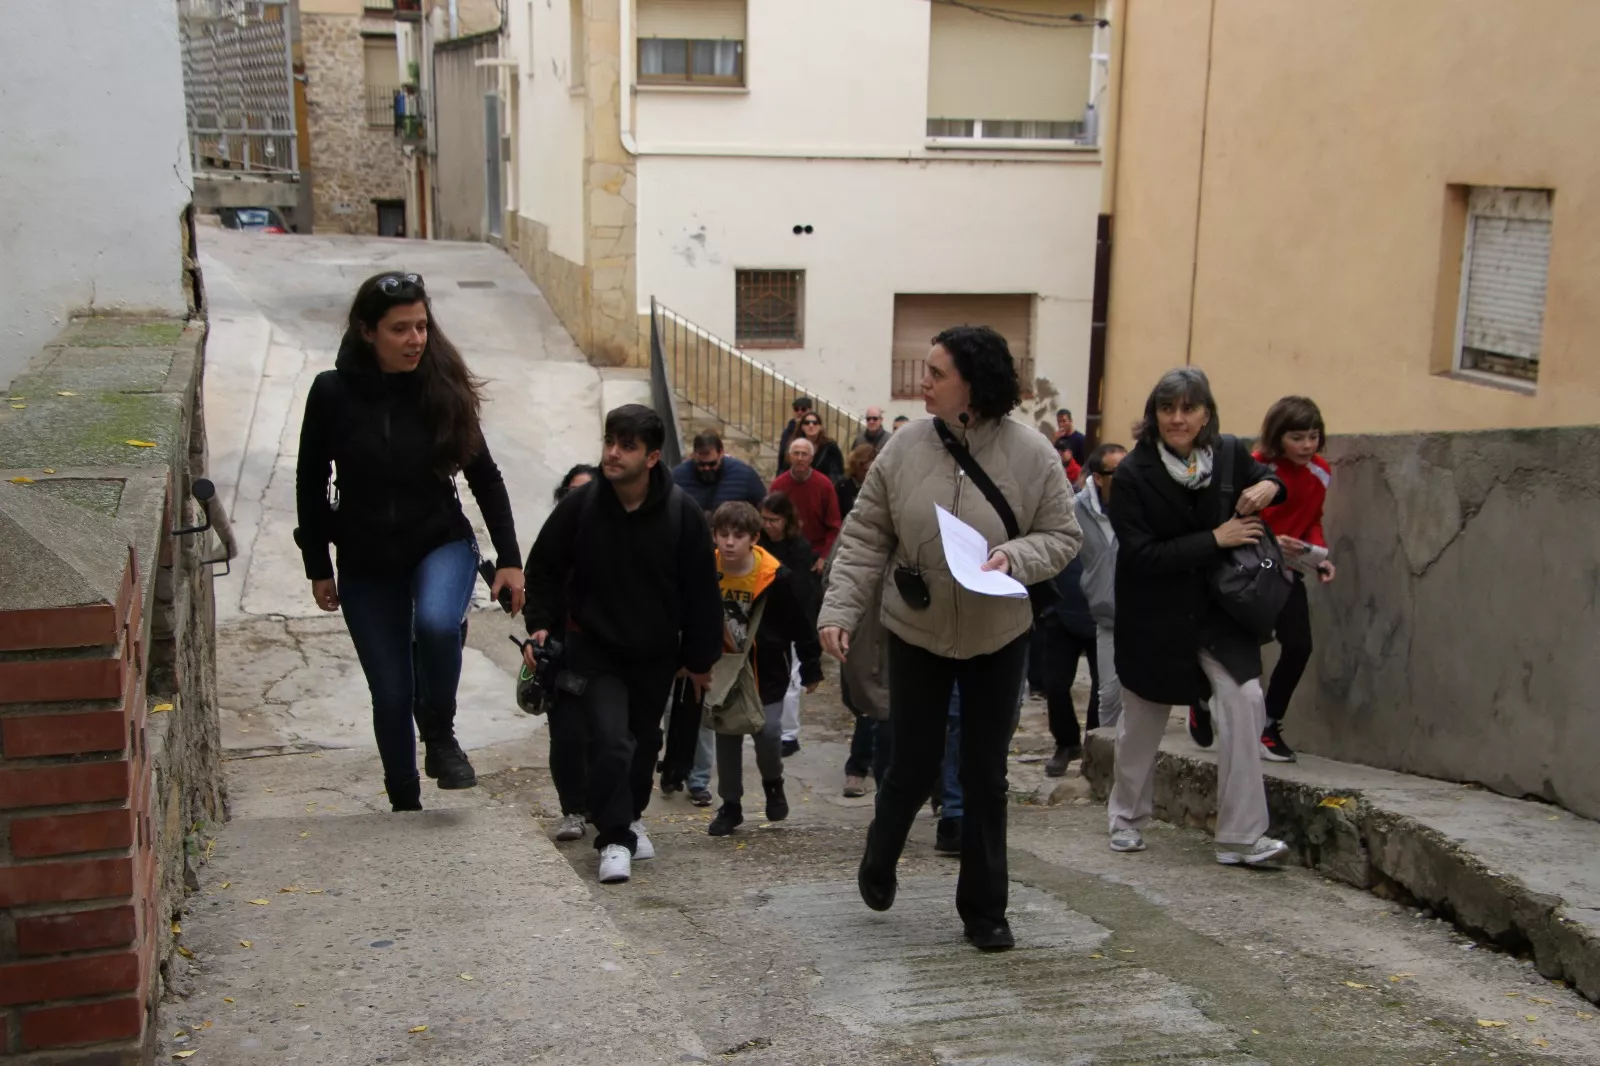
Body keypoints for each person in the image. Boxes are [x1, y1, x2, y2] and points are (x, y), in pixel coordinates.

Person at [819, 324, 1081, 952]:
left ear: (973, 381)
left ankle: (986, 910)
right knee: (910, 763)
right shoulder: (905, 447)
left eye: (936, 373)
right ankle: (880, 855)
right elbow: (863, 537)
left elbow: (1064, 536)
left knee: (986, 774)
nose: (924, 383)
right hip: (916, 629)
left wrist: (1016, 557)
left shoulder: (1033, 454)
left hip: (1000, 633)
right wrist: (839, 610)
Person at [294, 271, 524, 812]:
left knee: (439, 624)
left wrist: (511, 560)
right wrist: (317, 564)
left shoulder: (441, 386)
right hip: (366, 558)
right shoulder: (332, 392)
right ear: (367, 331)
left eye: (422, 326)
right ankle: (403, 799)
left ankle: (440, 736)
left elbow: (484, 476)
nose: (416, 339)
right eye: (400, 329)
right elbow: (308, 478)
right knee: (392, 692)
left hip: (437, 538)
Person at [522, 404, 723, 885]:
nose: (612, 453)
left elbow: (701, 592)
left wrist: (698, 661)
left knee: (642, 743)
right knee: (610, 741)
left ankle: (630, 816)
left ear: (652, 457)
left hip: (656, 654)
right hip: (594, 649)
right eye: (609, 441)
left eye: (626, 445)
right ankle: (615, 839)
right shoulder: (582, 505)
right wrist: (541, 625)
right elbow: (544, 566)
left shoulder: (682, 514)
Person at [1105, 367, 1289, 868]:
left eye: (1188, 408)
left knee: (1246, 700)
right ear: (1155, 415)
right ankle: (1126, 817)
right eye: (1168, 409)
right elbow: (1140, 554)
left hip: (1219, 612)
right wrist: (1215, 539)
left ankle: (1241, 836)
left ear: (1206, 413)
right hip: (1155, 617)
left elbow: (1271, 478)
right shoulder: (1132, 474)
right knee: (1142, 722)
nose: (1178, 418)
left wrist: (1270, 487)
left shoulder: (1229, 453)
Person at [705, 502, 823, 836]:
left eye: (738, 536)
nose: (729, 542)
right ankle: (730, 805)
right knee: (727, 736)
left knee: (769, 731)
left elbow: (799, 623)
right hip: (726, 668)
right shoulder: (706, 569)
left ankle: (773, 783)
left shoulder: (775, 576)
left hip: (767, 668)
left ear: (754, 538)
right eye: (722, 534)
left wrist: (810, 666)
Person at [1252, 396, 1335, 763]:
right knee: (1240, 646)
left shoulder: (1321, 472)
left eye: (1313, 436)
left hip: (1286, 570)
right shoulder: (1256, 467)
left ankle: (1269, 724)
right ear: (1278, 436)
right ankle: (1202, 699)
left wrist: (1319, 556)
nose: (1307, 446)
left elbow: (1313, 518)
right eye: (1297, 437)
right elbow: (1232, 517)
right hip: (1253, 566)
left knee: (1299, 645)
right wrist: (1271, 540)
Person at [545, 464, 599, 841]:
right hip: (564, 652)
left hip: (608, 653)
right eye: (573, 493)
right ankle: (573, 810)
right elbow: (540, 592)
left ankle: (606, 806)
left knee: (608, 735)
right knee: (567, 735)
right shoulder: (554, 544)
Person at [1074, 442, 1127, 745]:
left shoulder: (1143, 504)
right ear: (1098, 477)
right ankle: (1107, 766)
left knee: (1144, 697)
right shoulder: (1077, 509)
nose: (1126, 477)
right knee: (1108, 695)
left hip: (1143, 614)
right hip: (1106, 615)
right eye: (1116, 472)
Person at [769, 439, 840, 575]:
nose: (800, 458)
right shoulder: (778, 486)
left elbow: (834, 526)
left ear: (812, 458)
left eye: (804, 454)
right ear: (789, 457)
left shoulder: (825, 485)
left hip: (816, 554)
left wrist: (824, 557)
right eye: (796, 453)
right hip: (786, 554)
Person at [672, 429, 767, 513]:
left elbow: (762, 509)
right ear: (693, 455)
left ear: (721, 453)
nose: (706, 468)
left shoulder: (745, 476)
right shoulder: (677, 478)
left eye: (712, 464)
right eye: (701, 464)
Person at [797, 411, 846, 483]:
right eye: (807, 423)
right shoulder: (796, 445)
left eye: (815, 423)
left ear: (820, 427)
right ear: (802, 427)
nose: (811, 425)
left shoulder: (830, 446)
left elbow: (838, 473)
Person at [835, 443, 876, 521]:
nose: (867, 474)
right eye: (864, 470)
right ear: (856, 467)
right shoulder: (843, 486)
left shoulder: (875, 486)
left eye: (871, 471)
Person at [776, 396, 813, 475]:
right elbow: (781, 458)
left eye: (803, 409)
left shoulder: (812, 432)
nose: (799, 412)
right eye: (796, 409)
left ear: (810, 411)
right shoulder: (787, 432)